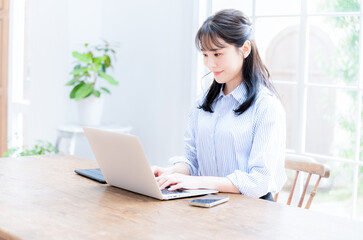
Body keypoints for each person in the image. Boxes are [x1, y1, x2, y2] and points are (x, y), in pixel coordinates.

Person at [152, 9, 286, 201]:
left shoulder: (266, 107)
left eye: (217, 54)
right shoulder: (203, 102)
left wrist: (200, 182)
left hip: (251, 210)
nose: (210, 63)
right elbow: (192, 161)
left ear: (245, 49)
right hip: (209, 204)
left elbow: (259, 182)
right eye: (205, 55)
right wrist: (169, 174)